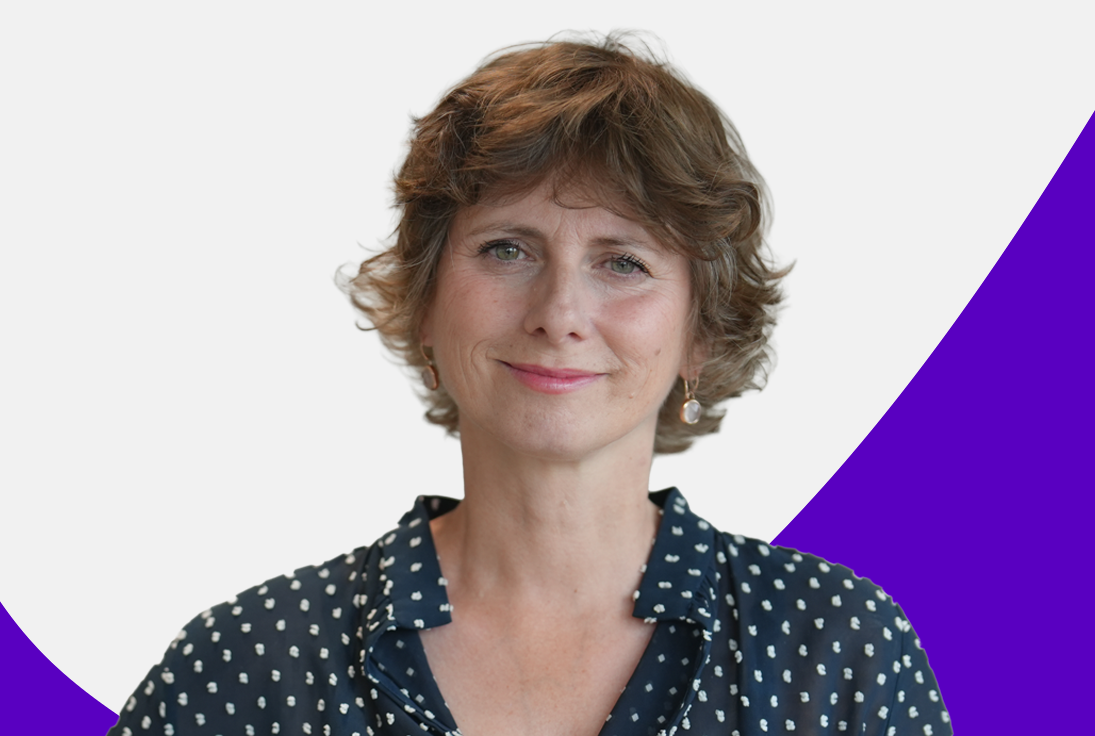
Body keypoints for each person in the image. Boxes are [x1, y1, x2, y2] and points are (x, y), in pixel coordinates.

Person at [108, 35, 951, 736]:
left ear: (700, 332)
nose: (559, 314)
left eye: (622, 262)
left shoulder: (836, 649)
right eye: (506, 249)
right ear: (425, 302)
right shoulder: (245, 667)